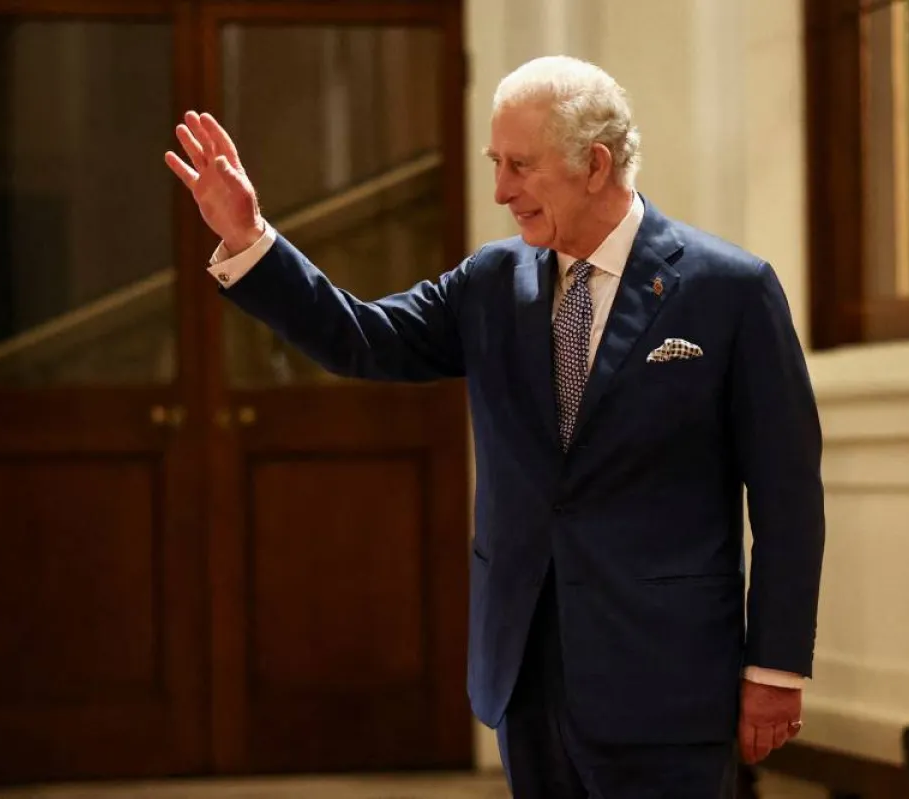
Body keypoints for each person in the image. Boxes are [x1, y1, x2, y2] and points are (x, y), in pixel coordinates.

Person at [165, 55, 825, 799]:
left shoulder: (730, 290)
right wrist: (252, 239)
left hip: (665, 679)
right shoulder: (488, 283)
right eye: (495, 162)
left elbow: (788, 500)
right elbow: (363, 337)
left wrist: (773, 670)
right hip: (525, 676)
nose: (500, 190)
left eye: (519, 165)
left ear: (594, 165)